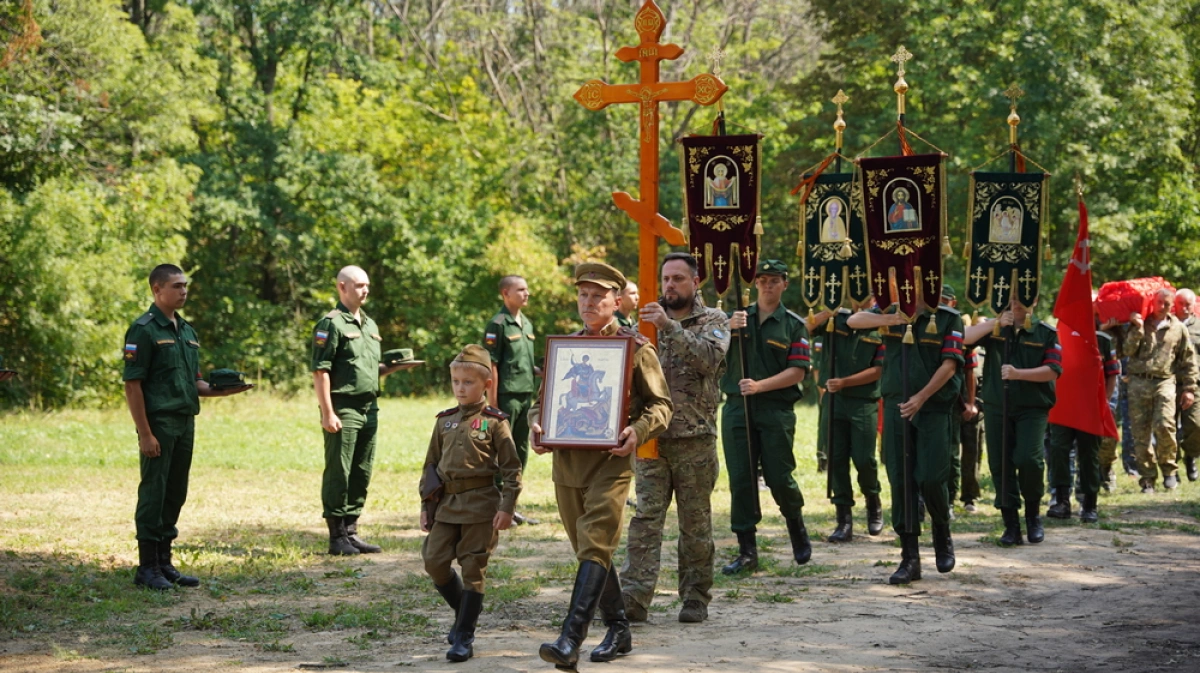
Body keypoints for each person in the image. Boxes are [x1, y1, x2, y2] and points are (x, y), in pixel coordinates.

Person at [529, 262, 672, 669]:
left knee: (595, 542)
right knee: (592, 550)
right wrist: (537, 424)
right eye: (582, 295)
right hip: (568, 464)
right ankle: (619, 629)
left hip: (611, 462)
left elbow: (662, 406)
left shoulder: (636, 347)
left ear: (616, 301)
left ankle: (569, 639)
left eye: (597, 296)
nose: (588, 303)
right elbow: (542, 404)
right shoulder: (565, 348)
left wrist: (637, 430)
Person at [123, 264, 252, 590]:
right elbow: (133, 386)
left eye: (185, 286)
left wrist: (224, 390)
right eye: (177, 286)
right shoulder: (144, 330)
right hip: (160, 423)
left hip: (185, 422)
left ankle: (164, 562)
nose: (184, 291)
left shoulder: (187, 332)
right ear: (157, 290)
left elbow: (196, 383)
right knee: (154, 491)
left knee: (175, 492)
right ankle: (146, 567)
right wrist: (146, 433)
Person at [620, 252, 729, 625]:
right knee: (645, 521)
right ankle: (634, 597)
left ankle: (695, 597)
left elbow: (711, 360)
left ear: (695, 282)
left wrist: (669, 327)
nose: (670, 286)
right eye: (666, 279)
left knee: (694, 524)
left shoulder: (713, 320)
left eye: (678, 279)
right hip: (651, 439)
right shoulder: (644, 325)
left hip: (694, 438)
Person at [847, 293, 964, 584]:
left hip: (933, 408)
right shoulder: (890, 312)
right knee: (901, 480)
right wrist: (889, 318)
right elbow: (853, 319)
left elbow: (949, 366)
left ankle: (941, 532)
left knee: (932, 478)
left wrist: (921, 398)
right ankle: (909, 557)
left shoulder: (949, 318)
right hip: (898, 405)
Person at [420, 345, 522, 662]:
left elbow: (511, 469)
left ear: (485, 385)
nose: (460, 388)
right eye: (456, 381)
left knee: (472, 567)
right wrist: (426, 506)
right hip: (447, 505)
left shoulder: (495, 422)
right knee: (434, 561)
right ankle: (463, 613)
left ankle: (464, 634)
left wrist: (506, 507)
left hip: (482, 506)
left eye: (468, 382)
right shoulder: (444, 421)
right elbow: (430, 466)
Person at [720, 259, 814, 575]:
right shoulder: (736, 320)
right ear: (755, 283)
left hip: (775, 409)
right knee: (741, 478)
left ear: (785, 284)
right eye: (762, 280)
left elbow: (797, 371)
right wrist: (726, 330)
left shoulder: (793, 325)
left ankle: (796, 529)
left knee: (779, 476)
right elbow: (710, 351)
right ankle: (747, 551)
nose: (767, 285)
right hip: (737, 408)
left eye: (774, 280)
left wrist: (760, 386)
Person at [312, 265, 412, 556]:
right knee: (339, 471)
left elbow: (369, 370)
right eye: (358, 285)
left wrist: (392, 369)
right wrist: (327, 412)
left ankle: (352, 530)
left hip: (370, 407)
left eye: (367, 285)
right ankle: (336, 535)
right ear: (341, 287)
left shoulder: (369, 325)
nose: (365, 290)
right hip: (344, 407)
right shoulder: (330, 324)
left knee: (361, 470)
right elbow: (321, 371)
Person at [963, 299, 1061, 546]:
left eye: (1023, 296)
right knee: (1001, 464)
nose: (1017, 303)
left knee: (1029, 459)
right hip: (998, 407)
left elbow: (1053, 369)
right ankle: (1011, 524)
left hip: (1032, 407)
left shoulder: (1045, 332)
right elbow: (963, 338)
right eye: (1012, 297)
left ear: (1035, 299)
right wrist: (995, 323)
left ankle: (1032, 516)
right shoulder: (994, 328)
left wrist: (1019, 374)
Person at [809, 296, 884, 543]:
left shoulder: (879, 322)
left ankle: (873, 502)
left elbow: (879, 369)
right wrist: (828, 309)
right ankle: (844, 519)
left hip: (863, 401)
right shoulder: (835, 318)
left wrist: (845, 382)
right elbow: (804, 328)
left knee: (864, 459)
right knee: (836, 458)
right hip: (834, 401)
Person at [1125, 288, 1199, 492]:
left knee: (1165, 425)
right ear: (1153, 302)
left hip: (1165, 381)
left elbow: (1189, 359)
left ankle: (1169, 470)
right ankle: (1147, 477)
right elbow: (1127, 350)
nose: (1163, 307)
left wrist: (1190, 388)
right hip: (1138, 382)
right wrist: (1138, 328)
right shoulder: (1141, 322)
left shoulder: (1178, 328)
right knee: (1141, 432)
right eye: (1160, 302)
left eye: (1167, 303)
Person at [1047, 329, 1119, 523]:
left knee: (1089, 454)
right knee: (1058, 451)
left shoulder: (1102, 340)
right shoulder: (1056, 335)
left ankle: (1089, 503)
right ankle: (1061, 501)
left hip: (1090, 407)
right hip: (1062, 405)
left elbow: (1112, 374)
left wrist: (1104, 402)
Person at [484, 275, 540, 525]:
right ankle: (496, 505)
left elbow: (527, 364)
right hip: (505, 397)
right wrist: (492, 402)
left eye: (527, 289)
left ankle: (512, 504)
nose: (526, 293)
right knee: (502, 452)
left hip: (525, 396)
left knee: (520, 451)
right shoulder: (498, 324)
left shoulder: (526, 324)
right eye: (521, 290)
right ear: (506, 293)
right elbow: (491, 365)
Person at [1172, 289, 1200, 482]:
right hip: (1170, 383)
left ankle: (1190, 455)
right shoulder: (1168, 325)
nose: (1185, 308)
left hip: (1194, 383)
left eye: (1188, 304)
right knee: (1168, 427)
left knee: (1196, 425)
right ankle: (1172, 468)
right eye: (1181, 303)